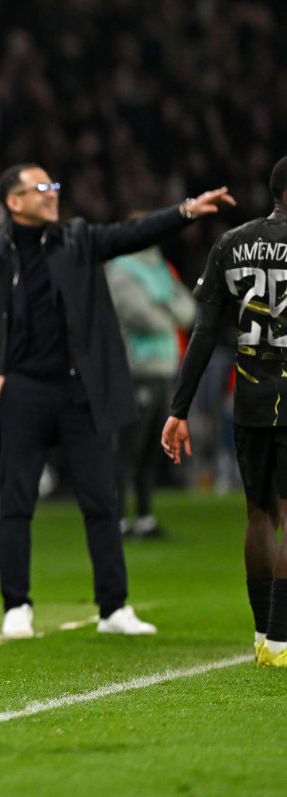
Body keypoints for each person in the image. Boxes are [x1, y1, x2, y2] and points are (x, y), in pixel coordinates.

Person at [0, 162, 234, 640]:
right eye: (41, 187)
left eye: (54, 185)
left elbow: (131, 234)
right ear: (14, 201)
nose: (52, 193)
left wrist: (185, 211)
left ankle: (113, 607)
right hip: (22, 391)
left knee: (102, 499)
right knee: (16, 502)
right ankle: (16, 605)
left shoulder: (77, 239)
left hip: (80, 390)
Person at [163, 155, 287, 665]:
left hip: (251, 398)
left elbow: (204, 331)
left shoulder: (232, 243)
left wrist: (179, 408)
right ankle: (282, 640)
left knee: (259, 515)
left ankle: (263, 637)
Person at [106, 229, 196, 539]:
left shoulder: (159, 267)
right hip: (136, 370)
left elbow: (189, 311)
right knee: (127, 449)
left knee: (151, 450)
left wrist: (163, 309)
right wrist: (168, 311)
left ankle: (144, 517)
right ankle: (117, 519)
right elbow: (142, 317)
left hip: (164, 369)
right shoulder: (121, 269)